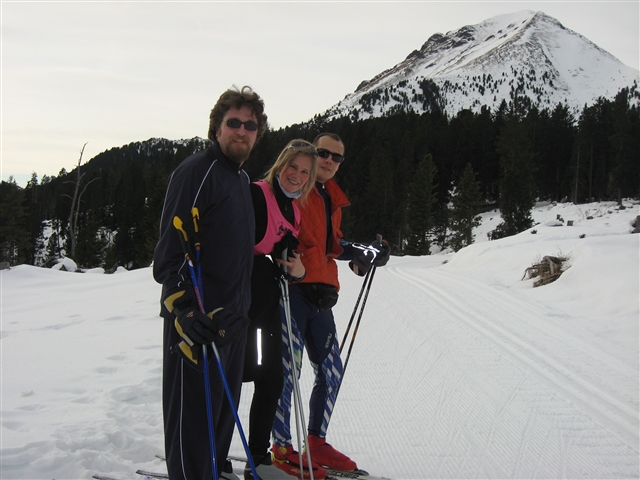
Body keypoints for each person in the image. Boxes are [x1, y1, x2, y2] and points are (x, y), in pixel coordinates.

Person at [153, 85, 268, 480]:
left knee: (221, 421)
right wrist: (183, 310)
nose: (241, 130)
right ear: (216, 128)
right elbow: (169, 255)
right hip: (197, 326)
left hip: (232, 324)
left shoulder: (240, 180)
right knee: (193, 430)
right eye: (233, 122)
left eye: (250, 125)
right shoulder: (196, 172)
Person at [271, 133, 390, 476]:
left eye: (336, 157)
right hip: (291, 291)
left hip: (320, 296)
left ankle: (317, 442)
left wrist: (365, 254)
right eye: (322, 153)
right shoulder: (295, 188)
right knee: (286, 372)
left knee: (331, 371)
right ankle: (280, 449)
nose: (328, 161)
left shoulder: (328, 198)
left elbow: (331, 244)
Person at [242, 139, 318, 480]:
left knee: (272, 379)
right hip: (239, 302)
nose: (297, 176)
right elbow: (236, 244)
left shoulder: (295, 210)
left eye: (305, 172)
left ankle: (257, 460)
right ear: (281, 164)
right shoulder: (257, 194)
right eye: (293, 167)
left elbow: (292, 264)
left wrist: (295, 267)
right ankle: (210, 455)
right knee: (232, 377)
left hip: (269, 303)